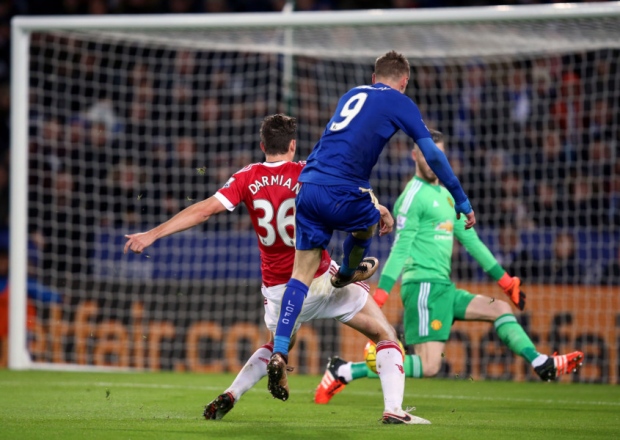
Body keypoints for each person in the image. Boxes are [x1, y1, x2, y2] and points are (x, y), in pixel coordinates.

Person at [124, 114, 430, 425]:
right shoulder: (307, 172)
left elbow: (204, 211)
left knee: (278, 346)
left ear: (262, 146)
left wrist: (152, 234)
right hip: (319, 277)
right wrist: (377, 208)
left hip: (277, 290)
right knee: (384, 334)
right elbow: (346, 203)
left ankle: (232, 392)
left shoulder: (246, 177)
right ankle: (393, 409)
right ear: (293, 145)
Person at [314, 129, 584, 405]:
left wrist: (505, 282)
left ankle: (540, 362)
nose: (434, 161)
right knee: (430, 366)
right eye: (429, 155)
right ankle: (345, 370)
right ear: (415, 155)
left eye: (438, 156)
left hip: (443, 287)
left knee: (499, 308)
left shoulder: (447, 195)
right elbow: (400, 249)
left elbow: (472, 241)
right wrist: (380, 297)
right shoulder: (412, 196)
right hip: (422, 288)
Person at [268, 51, 476, 405]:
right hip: (343, 190)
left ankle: (280, 351)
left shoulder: (352, 94)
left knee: (300, 276)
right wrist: (460, 197)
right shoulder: (401, 101)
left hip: (309, 186)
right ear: (404, 80)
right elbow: (434, 154)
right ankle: (346, 272)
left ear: (374, 74)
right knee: (371, 222)